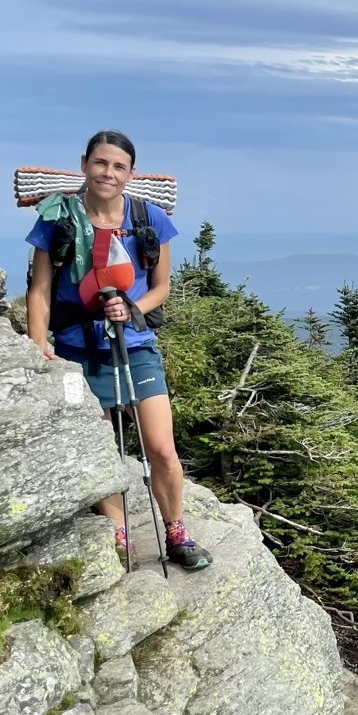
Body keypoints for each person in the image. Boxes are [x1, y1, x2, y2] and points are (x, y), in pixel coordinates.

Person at [24, 130, 212, 570]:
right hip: (76, 348)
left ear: (130, 174)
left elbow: (161, 287)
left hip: (137, 344)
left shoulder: (150, 219)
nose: (108, 173)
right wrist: (37, 347)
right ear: (85, 164)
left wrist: (131, 308)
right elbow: (41, 288)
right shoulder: (58, 218)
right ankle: (118, 532)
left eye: (118, 166)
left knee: (161, 448)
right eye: (100, 163)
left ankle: (176, 531)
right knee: (102, 448)